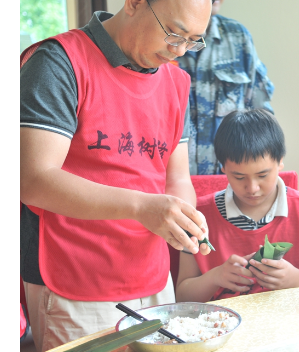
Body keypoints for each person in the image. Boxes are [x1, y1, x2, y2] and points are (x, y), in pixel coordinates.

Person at [19, 1, 214, 350]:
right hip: (73, 279)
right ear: (135, 3)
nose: (179, 51)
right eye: (173, 33)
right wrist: (142, 207)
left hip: (153, 280)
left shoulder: (176, 81)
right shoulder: (58, 62)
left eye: (193, 40)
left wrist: (183, 218)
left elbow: (177, 177)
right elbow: (33, 179)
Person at [175, 109, 299, 302]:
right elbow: (182, 297)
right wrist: (216, 277)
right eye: (239, 177)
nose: (252, 188)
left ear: (280, 162)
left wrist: (295, 280)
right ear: (223, 168)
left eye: (262, 175)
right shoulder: (199, 217)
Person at [176, 0, 275, 175]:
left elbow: (261, 117)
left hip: (231, 182)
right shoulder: (162, 40)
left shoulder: (237, 37)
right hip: (172, 183)